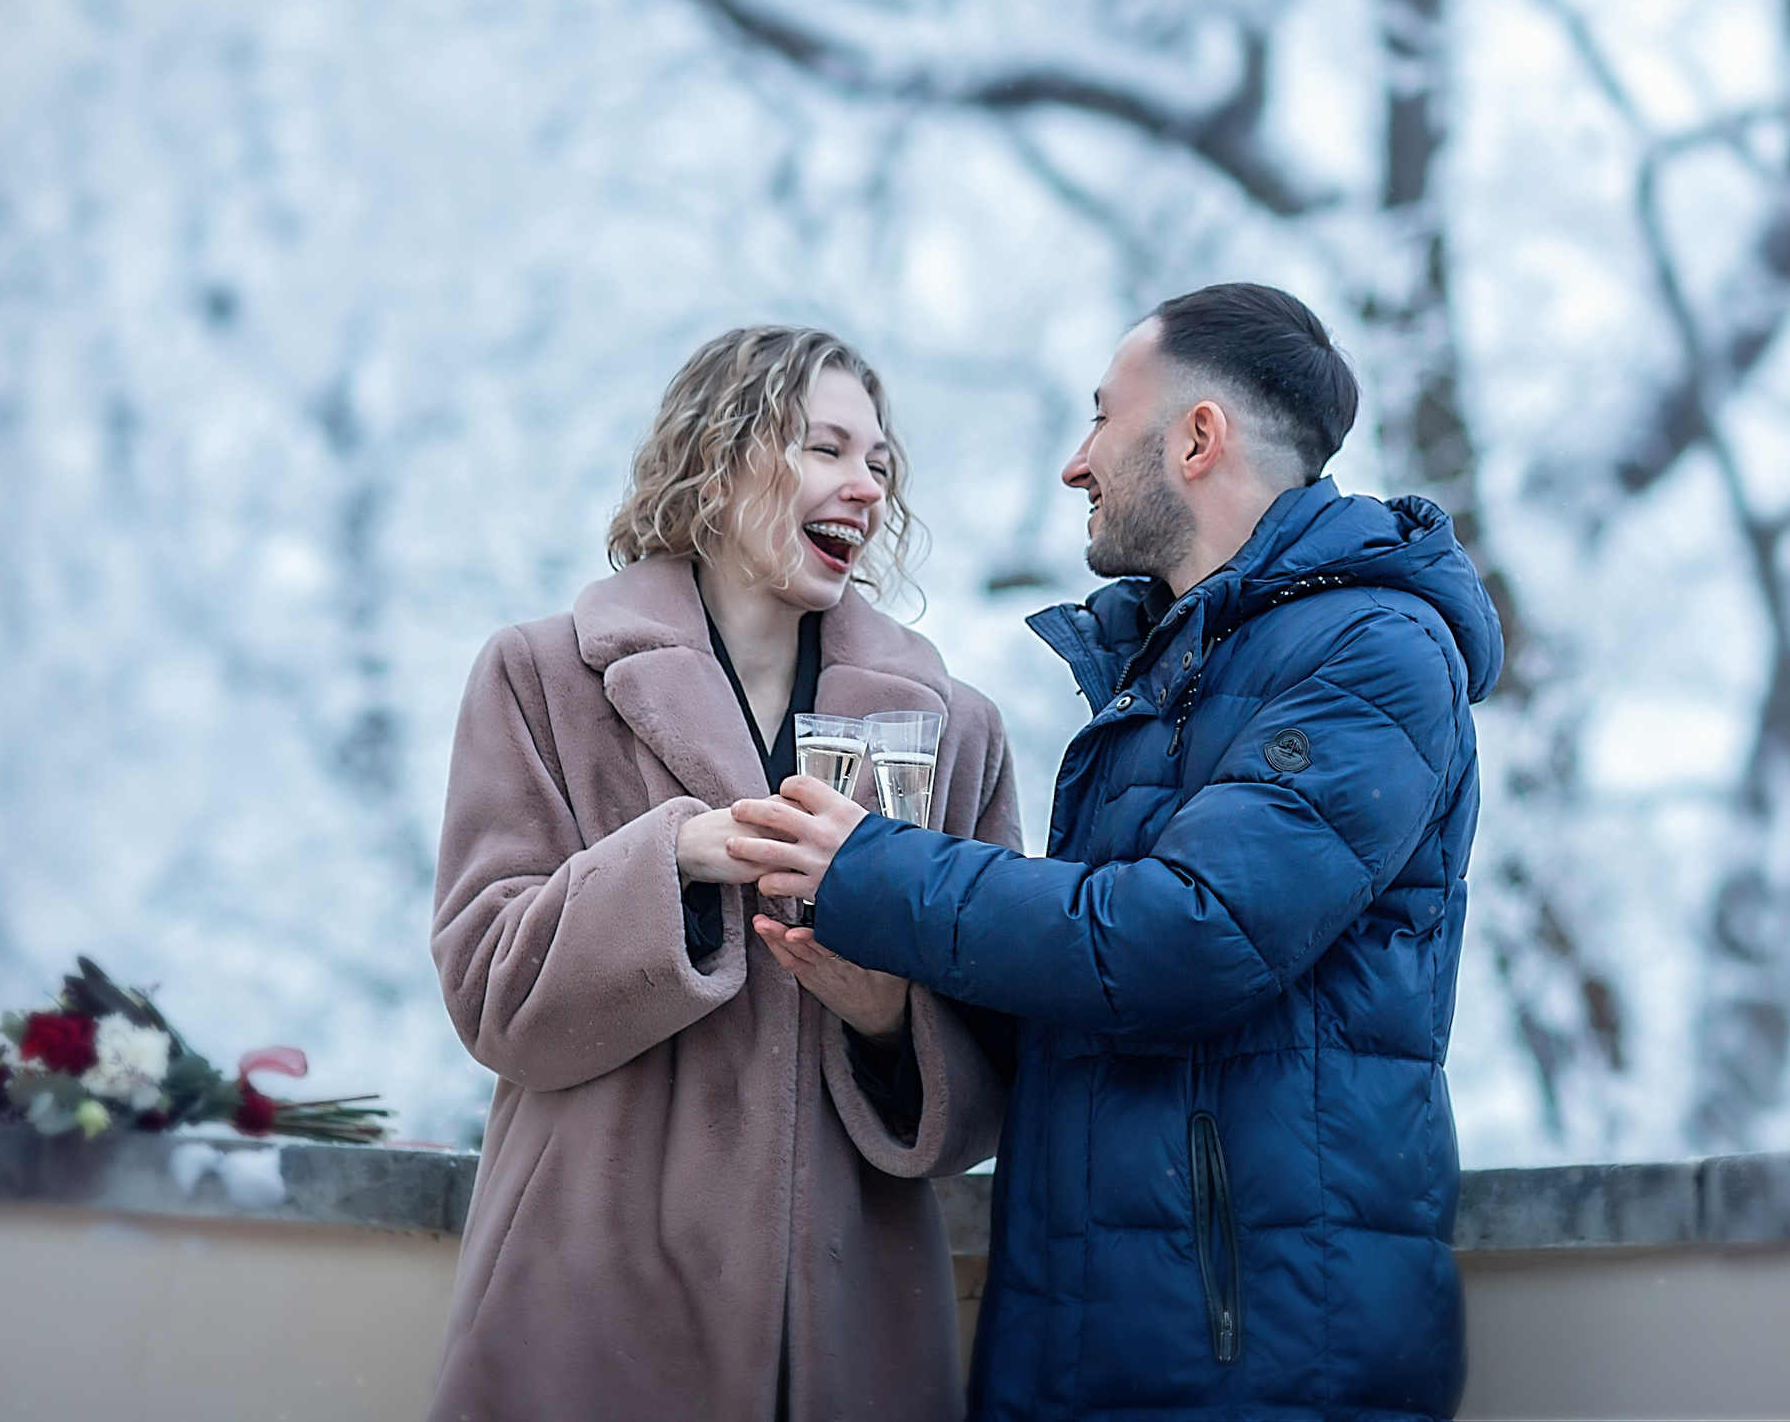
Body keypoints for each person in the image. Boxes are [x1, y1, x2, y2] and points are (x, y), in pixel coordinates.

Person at [730, 284, 1502, 1421]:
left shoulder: (1373, 655)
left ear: (1197, 438)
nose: (1075, 463)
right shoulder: (1169, 669)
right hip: (1093, 1341)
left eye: (1101, 419)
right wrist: (892, 1005)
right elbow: (1095, 996)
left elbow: (1180, 941)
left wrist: (873, 870)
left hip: (1261, 1363)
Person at [426, 326, 1020, 1422]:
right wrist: (674, 859)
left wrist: (890, 1019)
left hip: (846, 1326)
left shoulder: (958, 733)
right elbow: (489, 992)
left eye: (880, 463)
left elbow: (994, 1075)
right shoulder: (538, 679)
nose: (865, 487)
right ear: (719, 452)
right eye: (824, 448)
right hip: (588, 1306)